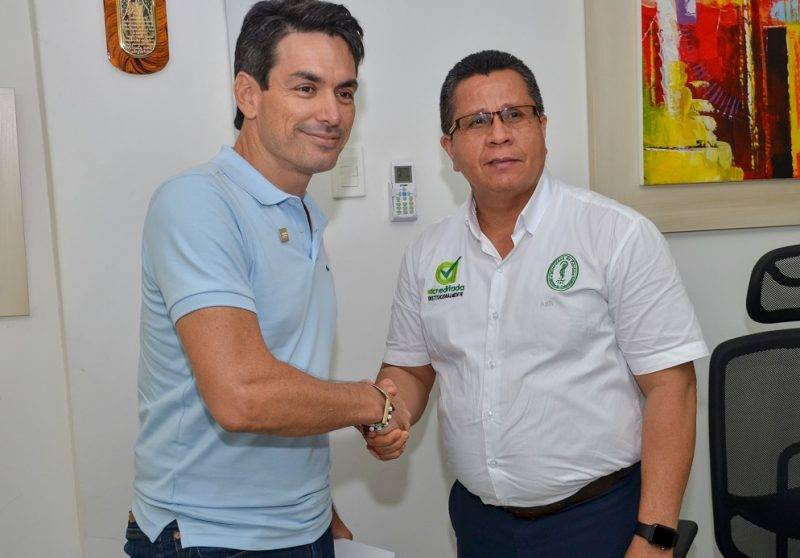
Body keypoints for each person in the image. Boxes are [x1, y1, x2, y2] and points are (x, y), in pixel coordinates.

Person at [367, 50, 708, 557]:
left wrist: (655, 538)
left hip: (598, 520)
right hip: (480, 523)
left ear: (543, 127)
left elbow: (671, 389)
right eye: (476, 121)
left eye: (515, 115)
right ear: (449, 148)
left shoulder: (616, 235)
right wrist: (387, 416)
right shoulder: (428, 254)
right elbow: (412, 371)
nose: (498, 134)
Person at [125, 2, 408, 556]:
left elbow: (287, 376)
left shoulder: (302, 215)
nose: (331, 113)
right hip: (210, 537)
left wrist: (320, 509)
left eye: (345, 92)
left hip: (301, 527)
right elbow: (243, 396)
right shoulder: (199, 202)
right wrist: (370, 402)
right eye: (306, 88)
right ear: (247, 95)